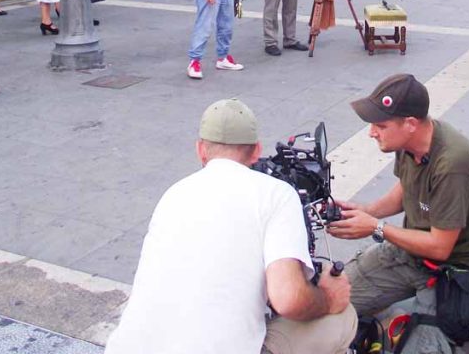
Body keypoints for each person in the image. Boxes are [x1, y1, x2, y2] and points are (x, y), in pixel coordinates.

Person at [105, 98, 356, 354]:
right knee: (344, 318)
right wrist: (328, 299)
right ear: (256, 151)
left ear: (200, 150)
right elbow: (288, 299)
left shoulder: (173, 193)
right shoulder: (277, 194)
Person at [328, 73, 469, 354]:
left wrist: (376, 227)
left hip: (453, 271)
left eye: (380, 125)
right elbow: (406, 188)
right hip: (413, 253)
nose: (372, 132)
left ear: (410, 124)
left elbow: (441, 248)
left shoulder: (453, 163)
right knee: (331, 301)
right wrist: (366, 210)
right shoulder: (410, 143)